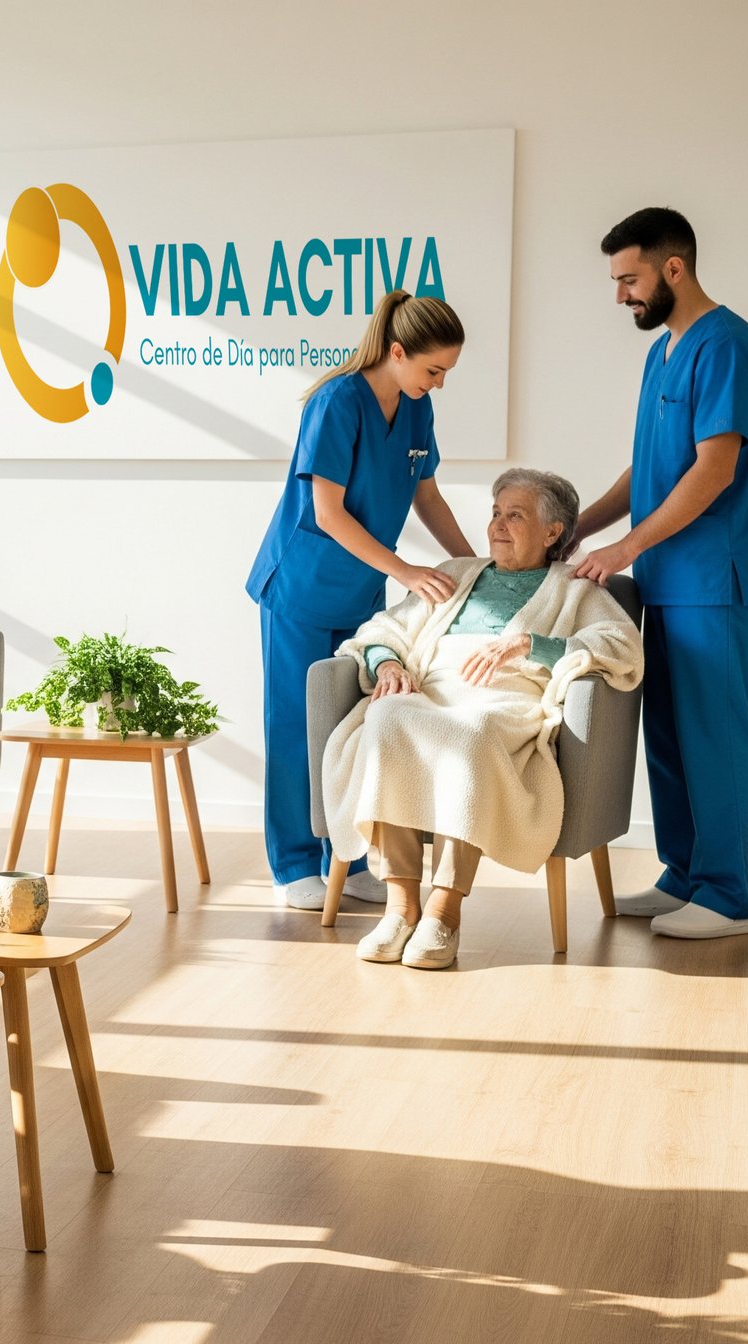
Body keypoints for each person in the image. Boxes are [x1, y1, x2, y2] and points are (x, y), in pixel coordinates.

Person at [321, 470, 644, 968]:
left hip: (504, 700)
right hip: (432, 687)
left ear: (553, 532)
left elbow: (621, 646)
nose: (498, 525)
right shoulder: (457, 572)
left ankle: (443, 912)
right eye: (496, 512)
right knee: (385, 719)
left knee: (468, 736)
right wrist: (385, 663)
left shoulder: (574, 588)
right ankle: (402, 906)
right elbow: (385, 627)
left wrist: (530, 644)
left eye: (516, 515)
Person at [573, 208, 748, 940]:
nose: (621, 295)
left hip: (710, 575)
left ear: (673, 268)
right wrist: (582, 527)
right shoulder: (663, 352)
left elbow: (713, 471)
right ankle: (685, 873)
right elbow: (652, 466)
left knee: (712, 732)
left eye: (629, 279)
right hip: (664, 575)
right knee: (664, 731)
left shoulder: (726, 345)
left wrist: (624, 550)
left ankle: (729, 897)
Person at [245, 290, 475, 911]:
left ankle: (347, 862)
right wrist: (406, 570)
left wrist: (470, 563)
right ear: (397, 352)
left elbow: (427, 497)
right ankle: (293, 863)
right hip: (300, 587)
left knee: (352, 728)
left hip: (359, 593)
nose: (440, 382)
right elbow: (328, 512)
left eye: (447, 372)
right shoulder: (337, 402)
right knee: (297, 729)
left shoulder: (416, 407)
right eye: (433, 369)